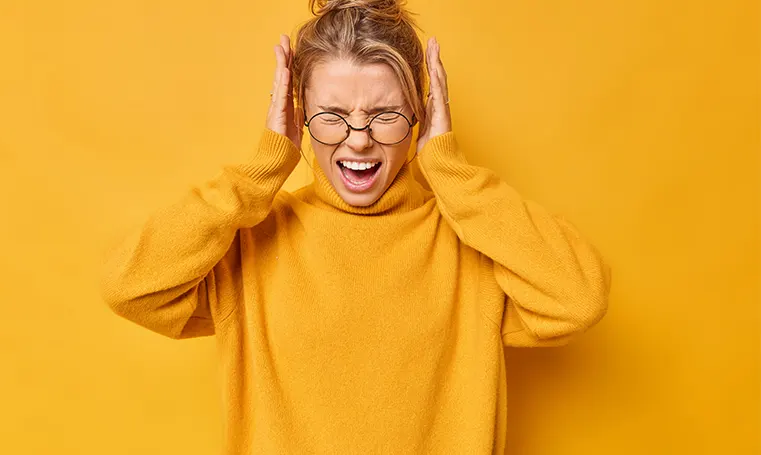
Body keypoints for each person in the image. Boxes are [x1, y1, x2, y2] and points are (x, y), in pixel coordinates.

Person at [100, 0, 612, 452]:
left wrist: (451, 171)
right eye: (332, 114)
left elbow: (577, 298)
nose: (359, 139)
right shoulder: (253, 243)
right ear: (298, 115)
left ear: (422, 113)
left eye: (386, 114)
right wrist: (262, 170)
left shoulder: (471, 244)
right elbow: (131, 287)